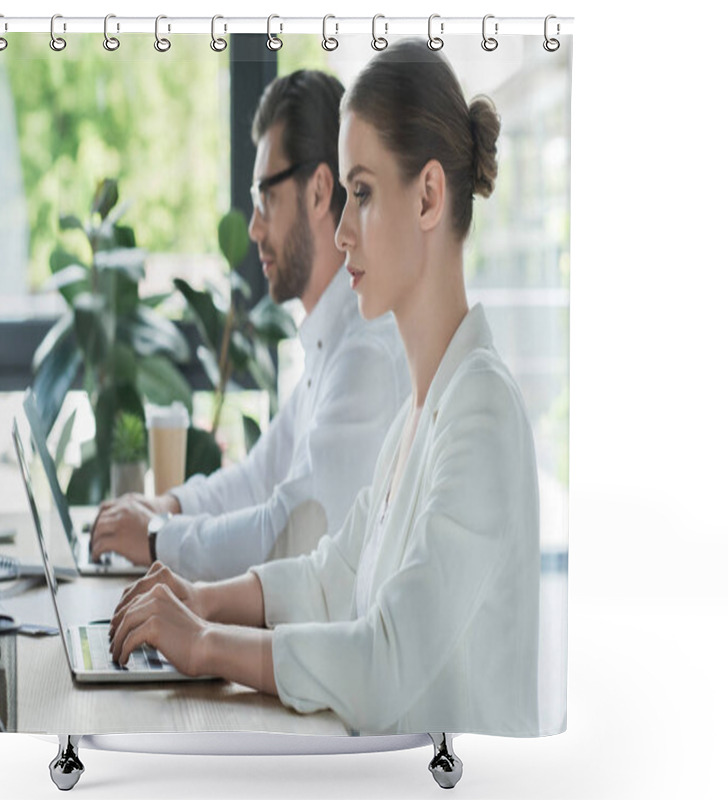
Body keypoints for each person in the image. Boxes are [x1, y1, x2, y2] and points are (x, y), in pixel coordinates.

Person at [109, 40, 541, 737]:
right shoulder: (419, 415)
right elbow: (326, 578)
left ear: (429, 195)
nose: (341, 232)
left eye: (361, 195)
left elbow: (385, 661)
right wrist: (198, 599)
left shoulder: (481, 412)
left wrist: (207, 644)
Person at [90, 70, 409, 581]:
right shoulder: (333, 342)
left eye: (266, 198)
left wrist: (155, 538)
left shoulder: (364, 353)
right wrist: (166, 506)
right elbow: (257, 478)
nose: (255, 226)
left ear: (319, 191)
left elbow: (287, 534)